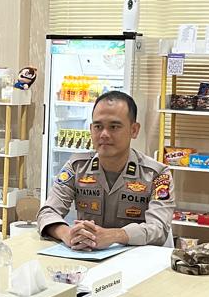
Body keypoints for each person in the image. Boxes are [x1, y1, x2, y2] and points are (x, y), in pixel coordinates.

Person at [37, 90, 173, 249]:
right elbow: (47, 212)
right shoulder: (77, 167)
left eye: (114, 127)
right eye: (98, 126)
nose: (104, 134)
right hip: (89, 255)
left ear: (134, 130)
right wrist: (67, 234)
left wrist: (114, 235)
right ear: (91, 129)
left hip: (138, 259)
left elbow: (159, 229)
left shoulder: (157, 174)